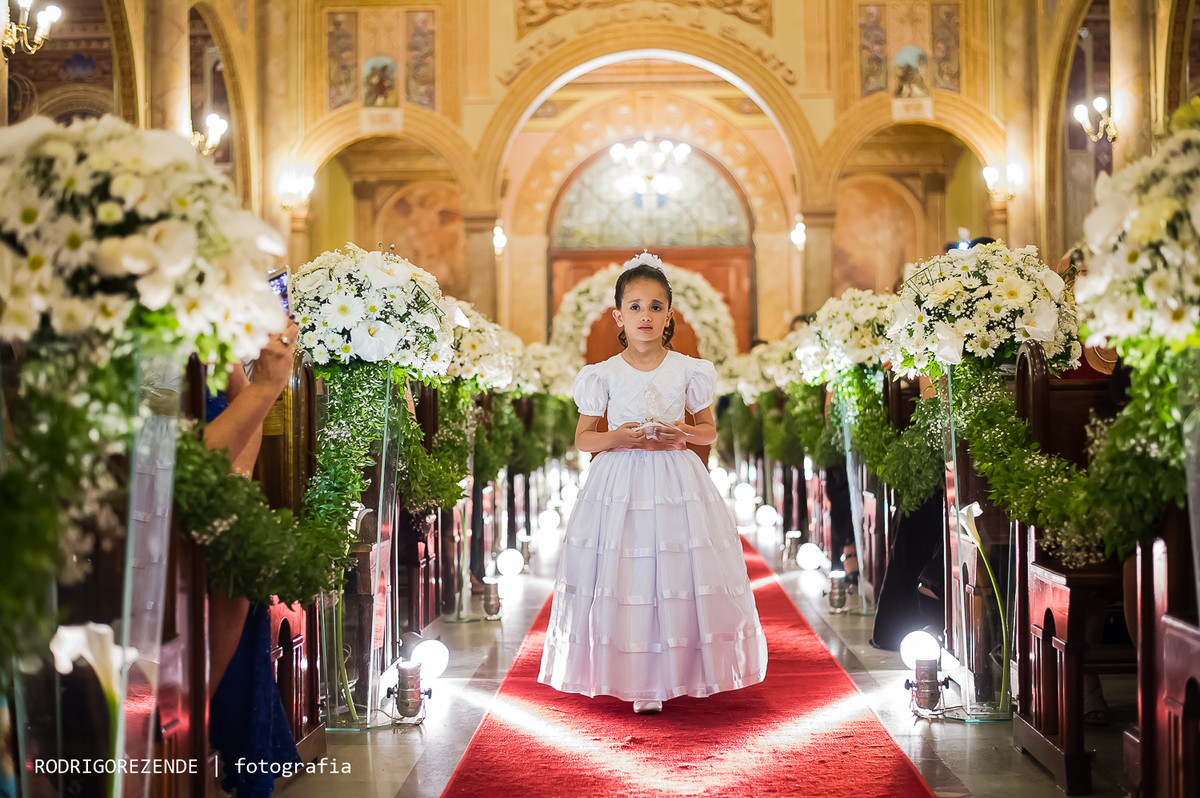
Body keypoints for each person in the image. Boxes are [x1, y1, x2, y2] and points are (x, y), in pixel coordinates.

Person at [538, 251, 768, 714]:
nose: (646, 315)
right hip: (619, 481)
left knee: (676, 570)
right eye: (636, 306)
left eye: (656, 306)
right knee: (629, 570)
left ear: (669, 315)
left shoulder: (689, 369)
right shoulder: (602, 374)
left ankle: (676, 669)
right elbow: (584, 439)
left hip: (674, 478)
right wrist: (617, 437)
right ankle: (637, 677)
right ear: (618, 315)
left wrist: (683, 432)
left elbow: (708, 430)